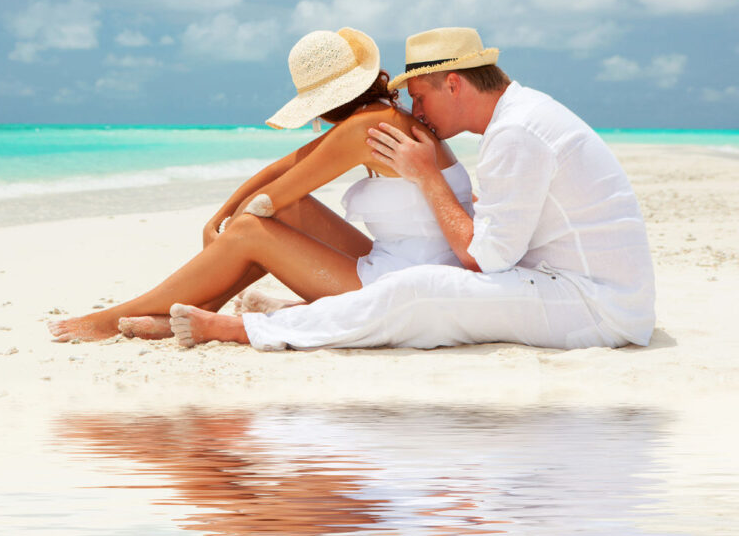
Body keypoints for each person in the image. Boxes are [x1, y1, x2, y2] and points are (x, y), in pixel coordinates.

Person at [168, 26, 656, 351]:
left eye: (421, 97)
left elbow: (483, 259)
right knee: (417, 291)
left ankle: (246, 331)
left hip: (597, 308)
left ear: (455, 86)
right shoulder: (522, 117)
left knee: (419, 289)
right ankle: (292, 314)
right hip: (587, 290)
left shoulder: (516, 132)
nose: (416, 113)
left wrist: (426, 176)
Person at [48, 26, 473, 342]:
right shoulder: (380, 116)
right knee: (269, 218)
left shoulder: (365, 128)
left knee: (253, 228)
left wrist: (231, 226)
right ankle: (194, 306)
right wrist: (217, 217)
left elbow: (271, 199)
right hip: (413, 261)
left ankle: (119, 316)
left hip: (403, 282)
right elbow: (283, 168)